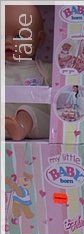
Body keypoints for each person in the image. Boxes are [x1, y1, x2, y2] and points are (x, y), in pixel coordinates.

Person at [5, 5, 51, 141]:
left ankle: (19, 127)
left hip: (37, 123)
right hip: (5, 121)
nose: (8, 41)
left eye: (18, 36)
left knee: (27, 110)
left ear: (39, 39)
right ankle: (10, 126)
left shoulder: (45, 70)